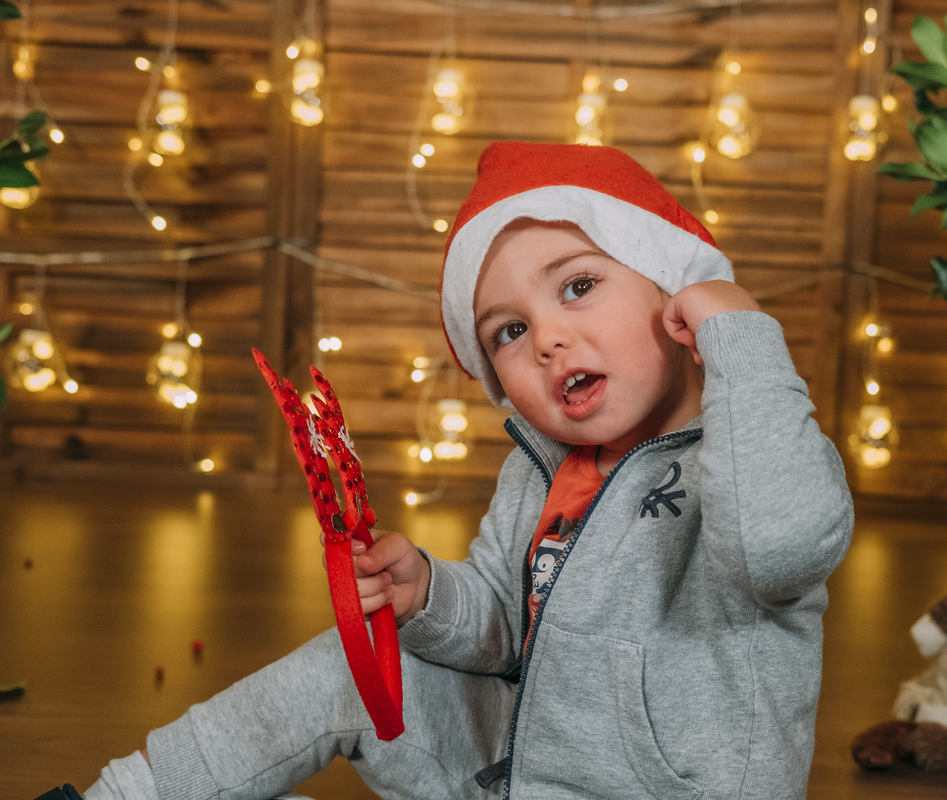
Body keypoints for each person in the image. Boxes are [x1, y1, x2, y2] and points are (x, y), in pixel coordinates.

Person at [57, 142, 853, 800]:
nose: (546, 339)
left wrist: (742, 334)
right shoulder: (537, 475)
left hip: (673, 788)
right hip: (517, 766)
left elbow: (776, 548)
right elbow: (508, 628)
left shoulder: (758, 445)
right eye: (509, 330)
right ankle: (133, 793)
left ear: (678, 290)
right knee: (357, 663)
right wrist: (432, 596)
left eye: (579, 286)